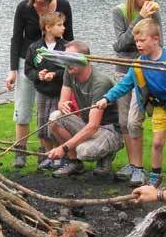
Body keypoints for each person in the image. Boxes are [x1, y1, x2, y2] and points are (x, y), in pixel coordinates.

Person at [97, 19, 166, 187]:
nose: (138, 44)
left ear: (155, 39)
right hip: (160, 106)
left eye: (142, 40)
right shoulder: (139, 64)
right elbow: (124, 85)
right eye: (136, 41)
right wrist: (106, 98)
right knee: (157, 142)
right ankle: (155, 175)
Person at [6, 0, 74, 168]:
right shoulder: (24, 8)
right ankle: (21, 152)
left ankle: (51, 152)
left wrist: (70, 62)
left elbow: (69, 36)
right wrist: (13, 70)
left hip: (56, 61)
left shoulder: (63, 5)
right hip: (28, 59)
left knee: (53, 109)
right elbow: (16, 38)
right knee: (23, 108)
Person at [112, 0, 163, 186]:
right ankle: (132, 164)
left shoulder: (155, 12)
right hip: (123, 71)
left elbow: (160, 42)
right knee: (123, 120)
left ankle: (139, 168)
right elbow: (120, 44)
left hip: (144, 72)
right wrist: (140, 19)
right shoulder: (119, 11)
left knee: (135, 120)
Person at [46, 41, 122, 178]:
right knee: (55, 118)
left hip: (109, 129)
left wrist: (63, 148)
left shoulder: (100, 83)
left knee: (84, 151)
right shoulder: (69, 72)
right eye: (66, 59)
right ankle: (74, 163)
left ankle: (106, 156)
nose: (67, 63)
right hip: (89, 125)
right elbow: (62, 102)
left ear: (85, 60)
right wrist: (63, 104)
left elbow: (93, 126)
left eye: (72, 59)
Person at [24, 11, 68, 170]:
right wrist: (39, 75)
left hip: (59, 93)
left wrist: (55, 75)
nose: (63, 28)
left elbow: (70, 70)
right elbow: (28, 70)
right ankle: (50, 155)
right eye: (59, 25)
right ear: (48, 27)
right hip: (42, 93)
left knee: (55, 126)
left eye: (63, 24)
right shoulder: (35, 48)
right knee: (42, 128)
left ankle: (60, 156)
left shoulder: (65, 47)